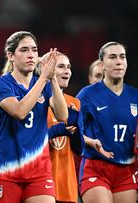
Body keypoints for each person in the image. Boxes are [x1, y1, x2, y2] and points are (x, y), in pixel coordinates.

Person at [0, 31, 68, 203]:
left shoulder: (43, 84)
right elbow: (19, 111)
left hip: (39, 171)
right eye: (24, 50)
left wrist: (52, 79)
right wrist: (44, 78)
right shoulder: (0, 84)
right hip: (5, 170)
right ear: (11, 56)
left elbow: (62, 115)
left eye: (34, 49)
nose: (30, 54)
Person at [77, 41, 138, 203]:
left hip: (127, 170)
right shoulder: (87, 95)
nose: (119, 61)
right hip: (96, 167)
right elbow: (71, 130)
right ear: (102, 64)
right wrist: (91, 142)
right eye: (112, 57)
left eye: (122, 57)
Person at [45, 52, 84, 203]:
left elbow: (79, 149)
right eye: (61, 66)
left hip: (66, 182)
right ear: (48, 70)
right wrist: (58, 130)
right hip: (41, 180)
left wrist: (76, 132)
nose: (67, 71)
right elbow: (30, 139)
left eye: (69, 67)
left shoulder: (74, 103)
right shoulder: (36, 100)